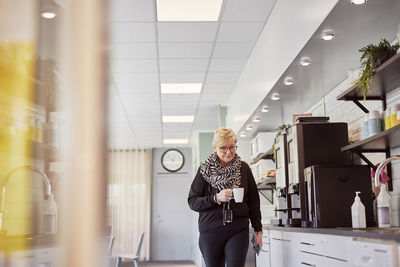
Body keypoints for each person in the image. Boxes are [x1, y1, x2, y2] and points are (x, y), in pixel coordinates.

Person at [188, 128, 263, 267]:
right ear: (215, 148)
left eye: (232, 147)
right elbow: (192, 202)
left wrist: (258, 231)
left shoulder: (243, 168)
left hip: (238, 229)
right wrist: (215, 198)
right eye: (223, 148)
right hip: (210, 231)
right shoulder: (204, 170)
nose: (228, 152)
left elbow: (254, 202)